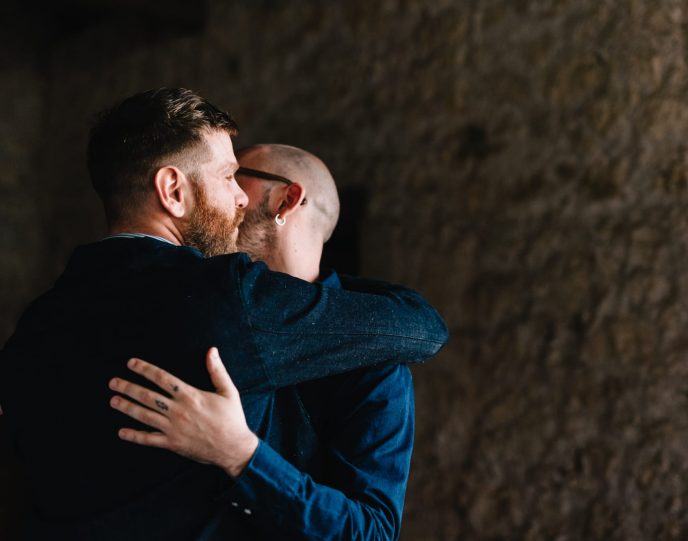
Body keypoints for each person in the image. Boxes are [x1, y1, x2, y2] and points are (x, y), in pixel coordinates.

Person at [0, 88, 447, 540]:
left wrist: (241, 454)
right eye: (229, 176)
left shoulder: (35, 324)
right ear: (174, 190)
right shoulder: (225, 298)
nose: (237, 198)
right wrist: (241, 456)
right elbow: (424, 328)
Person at [111, 144, 417, 539]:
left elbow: (371, 532)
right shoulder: (199, 305)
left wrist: (241, 456)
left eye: (235, 179)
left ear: (287, 200)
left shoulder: (376, 361)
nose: (228, 196)